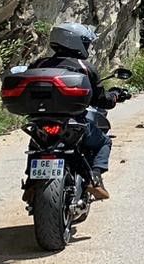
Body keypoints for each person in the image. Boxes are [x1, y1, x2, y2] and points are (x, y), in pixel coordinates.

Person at [30, 22, 126, 200]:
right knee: (104, 142)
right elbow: (101, 100)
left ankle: (31, 183)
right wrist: (114, 96)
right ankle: (94, 179)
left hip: (42, 119)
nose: (88, 46)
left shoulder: (38, 63)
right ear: (75, 42)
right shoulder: (84, 67)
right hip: (74, 121)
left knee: (37, 144)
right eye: (86, 42)